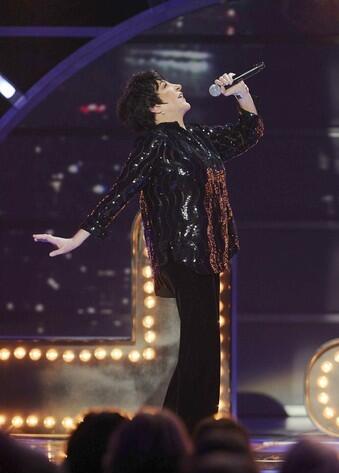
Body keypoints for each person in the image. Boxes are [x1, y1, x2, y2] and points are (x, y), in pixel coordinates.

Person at [33, 69, 264, 430]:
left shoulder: (198, 138)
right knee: (200, 347)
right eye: (167, 87)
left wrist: (241, 93)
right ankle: (188, 428)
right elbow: (121, 190)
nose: (177, 87)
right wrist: (77, 237)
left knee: (202, 346)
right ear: (156, 108)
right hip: (183, 253)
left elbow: (247, 133)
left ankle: (179, 427)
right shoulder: (156, 141)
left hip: (206, 252)